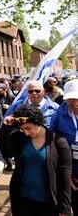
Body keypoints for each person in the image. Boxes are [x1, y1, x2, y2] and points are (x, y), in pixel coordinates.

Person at [2, 105, 71, 216]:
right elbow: (6, 151)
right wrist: (6, 127)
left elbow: (65, 175)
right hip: (22, 200)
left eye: (28, 128)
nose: (26, 133)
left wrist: (65, 208)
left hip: (49, 203)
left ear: (38, 122)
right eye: (22, 129)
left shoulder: (58, 141)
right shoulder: (20, 139)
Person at [50, 79, 78, 214]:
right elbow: (51, 139)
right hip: (71, 168)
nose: (76, 103)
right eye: (72, 99)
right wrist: (67, 175)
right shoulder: (59, 115)